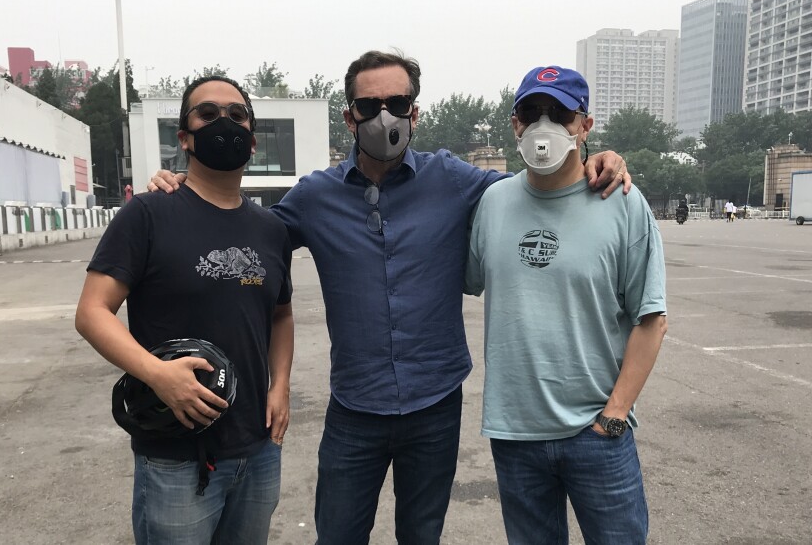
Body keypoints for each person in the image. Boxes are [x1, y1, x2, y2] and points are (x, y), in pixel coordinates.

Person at [149, 51, 631, 544]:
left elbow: (538, 185)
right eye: (368, 104)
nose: (384, 116)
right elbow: (245, 233)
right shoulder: (316, 197)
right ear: (349, 116)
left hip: (435, 405)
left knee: (421, 537)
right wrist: (189, 190)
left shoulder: (455, 181)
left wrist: (595, 156)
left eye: (397, 102)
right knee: (337, 535)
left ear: (415, 113)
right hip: (355, 409)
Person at [76, 75, 294, 544]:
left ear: (252, 141)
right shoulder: (149, 214)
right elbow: (92, 311)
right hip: (176, 452)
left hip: (258, 447)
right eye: (208, 114)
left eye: (237, 115)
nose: (224, 123)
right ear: (185, 137)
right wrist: (157, 373)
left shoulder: (271, 229)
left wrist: (282, 385)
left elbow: (281, 314)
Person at [465, 65, 667, 544]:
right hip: (516, 435)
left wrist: (614, 415)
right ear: (514, 124)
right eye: (531, 112)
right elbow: (465, 279)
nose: (544, 125)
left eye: (559, 113)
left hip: (596, 433)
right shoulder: (492, 203)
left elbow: (651, 318)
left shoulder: (622, 202)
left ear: (585, 125)